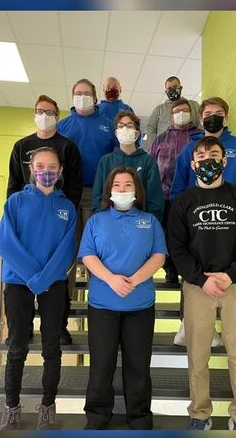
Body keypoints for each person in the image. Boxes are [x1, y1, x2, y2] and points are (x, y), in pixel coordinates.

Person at [167, 136, 236, 431]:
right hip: (197, 288)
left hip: (235, 285)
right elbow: (177, 248)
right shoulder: (183, 203)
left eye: (214, 154)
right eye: (201, 155)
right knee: (197, 356)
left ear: (224, 161)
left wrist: (231, 275)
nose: (208, 159)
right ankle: (199, 414)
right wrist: (199, 279)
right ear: (193, 164)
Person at [78, 167, 167, 430]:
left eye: (128, 185)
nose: (123, 189)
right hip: (102, 306)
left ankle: (139, 419)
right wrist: (112, 279)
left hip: (139, 306)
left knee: (138, 366)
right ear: (109, 190)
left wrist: (135, 280)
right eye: (117, 185)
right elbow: (88, 256)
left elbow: (158, 256)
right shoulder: (96, 221)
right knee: (101, 366)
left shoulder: (150, 221)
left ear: (137, 190)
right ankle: (96, 418)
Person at [0, 147, 78, 430]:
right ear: (31, 168)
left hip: (53, 283)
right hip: (19, 283)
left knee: (51, 348)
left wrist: (43, 279)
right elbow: (6, 243)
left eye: (52, 166)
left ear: (60, 171)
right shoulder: (16, 202)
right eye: (40, 165)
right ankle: (12, 407)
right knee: (17, 347)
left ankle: (47, 407)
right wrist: (33, 277)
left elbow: (66, 249)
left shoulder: (67, 207)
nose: (46, 170)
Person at [6, 94, 83, 345]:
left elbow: (74, 186)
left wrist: (61, 212)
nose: (45, 115)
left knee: (60, 277)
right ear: (34, 114)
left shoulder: (68, 147)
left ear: (57, 117)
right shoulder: (21, 146)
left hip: (57, 217)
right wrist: (19, 211)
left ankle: (59, 326)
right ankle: (23, 328)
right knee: (23, 276)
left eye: (50, 112)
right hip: (26, 218)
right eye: (40, 111)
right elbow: (13, 184)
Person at [148, 97, 203, 284]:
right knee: (167, 233)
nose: (181, 114)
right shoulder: (161, 139)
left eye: (184, 110)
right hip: (164, 195)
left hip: (192, 196)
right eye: (176, 111)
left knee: (188, 234)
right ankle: (169, 268)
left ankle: (187, 269)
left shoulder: (200, 137)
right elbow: (151, 166)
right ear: (171, 116)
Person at [56, 78, 119, 224]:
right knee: (71, 239)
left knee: (92, 237)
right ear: (73, 98)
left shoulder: (109, 126)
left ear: (95, 98)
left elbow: (116, 160)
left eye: (87, 94)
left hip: (97, 192)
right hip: (66, 191)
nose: (82, 97)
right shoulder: (61, 126)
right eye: (78, 94)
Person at [170, 97, 236, 201]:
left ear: (226, 118)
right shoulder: (190, 148)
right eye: (208, 114)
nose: (213, 117)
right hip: (196, 209)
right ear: (201, 119)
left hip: (231, 209)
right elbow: (178, 186)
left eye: (219, 114)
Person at [92, 111, 163, 222]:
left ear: (137, 133)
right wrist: (101, 221)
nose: (124, 129)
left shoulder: (148, 161)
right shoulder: (105, 161)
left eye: (129, 125)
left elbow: (155, 198)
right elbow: (97, 196)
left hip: (140, 222)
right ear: (116, 133)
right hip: (109, 222)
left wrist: (149, 223)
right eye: (121, 126)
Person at [145, 76, 201, 151]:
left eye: (175, 87)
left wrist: (200, 142)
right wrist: (153, 149)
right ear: (166, 91)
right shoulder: (159, 109)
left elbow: (201, 122)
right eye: (169, 88)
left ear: (180, 88)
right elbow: (150, 127)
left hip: (191, 148)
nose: (172, 90)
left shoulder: (193, 105)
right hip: (165, 151)